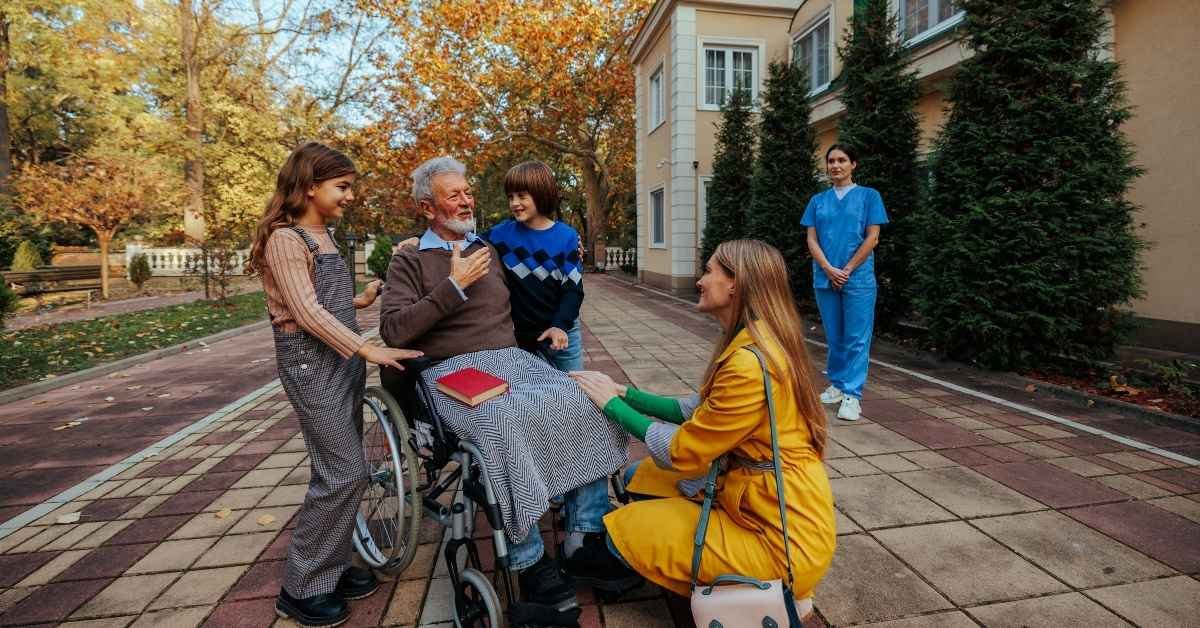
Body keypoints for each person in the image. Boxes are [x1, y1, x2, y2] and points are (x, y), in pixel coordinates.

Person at [378, 156, 639, 613]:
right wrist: (452, 285)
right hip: (450, 369)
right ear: (426, 208)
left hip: (512, 359)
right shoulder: (410, 260)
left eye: (467, 192)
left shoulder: (493, 246)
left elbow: (550, 259)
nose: (466, 200)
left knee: (585, 397)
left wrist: (570, 261)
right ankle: (528, 558)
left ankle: (584, 536)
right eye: (453, 195)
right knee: (502, 422)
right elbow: (394, 330)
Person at [570, 239, 836, 609]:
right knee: (637, 478)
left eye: (709, 270)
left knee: (626, 530)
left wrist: (611, 405)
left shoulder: (747, 364)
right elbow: (694, 409)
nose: (700, 279)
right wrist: (625, 393)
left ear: (735, 285)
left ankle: (778, 588)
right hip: (761, 503)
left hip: (779, 539)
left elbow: (684, 451)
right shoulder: (758, 341)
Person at [247, 142, 423, 627]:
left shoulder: (320, 235)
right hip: (312, 366)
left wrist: (360, 299)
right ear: (310, 186)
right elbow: (303, 311)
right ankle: (301, 589)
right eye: (342, 187)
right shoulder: (286, 239)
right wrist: (368, 347)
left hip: (339, 361)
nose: (349, 197)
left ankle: (333, 566)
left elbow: (322, 300)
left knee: (343, 469)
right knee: (342, 473)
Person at [800, 143, 888, 421]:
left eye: (842, 160)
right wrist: (828, 268)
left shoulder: (869, 196)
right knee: (835, 337)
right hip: (825, 277)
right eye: (831, 161)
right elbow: (811, 239)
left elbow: (873, 237)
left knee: (856, 338)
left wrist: (847, 269)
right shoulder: (817, 201)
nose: (836, 165)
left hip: (857, 279)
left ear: (853, 164)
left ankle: (853, 395)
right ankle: (837, 385)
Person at [483, 160, 585, 371]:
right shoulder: (502, 234)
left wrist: (559, 325)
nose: (514, 203)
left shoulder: (567, 237)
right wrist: (421, 239)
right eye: (510, 196)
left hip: (562, 330)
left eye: (521, 195)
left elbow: (573, 291)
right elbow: (465, 242)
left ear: (541, 193)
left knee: (577, 387)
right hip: (522, 335)